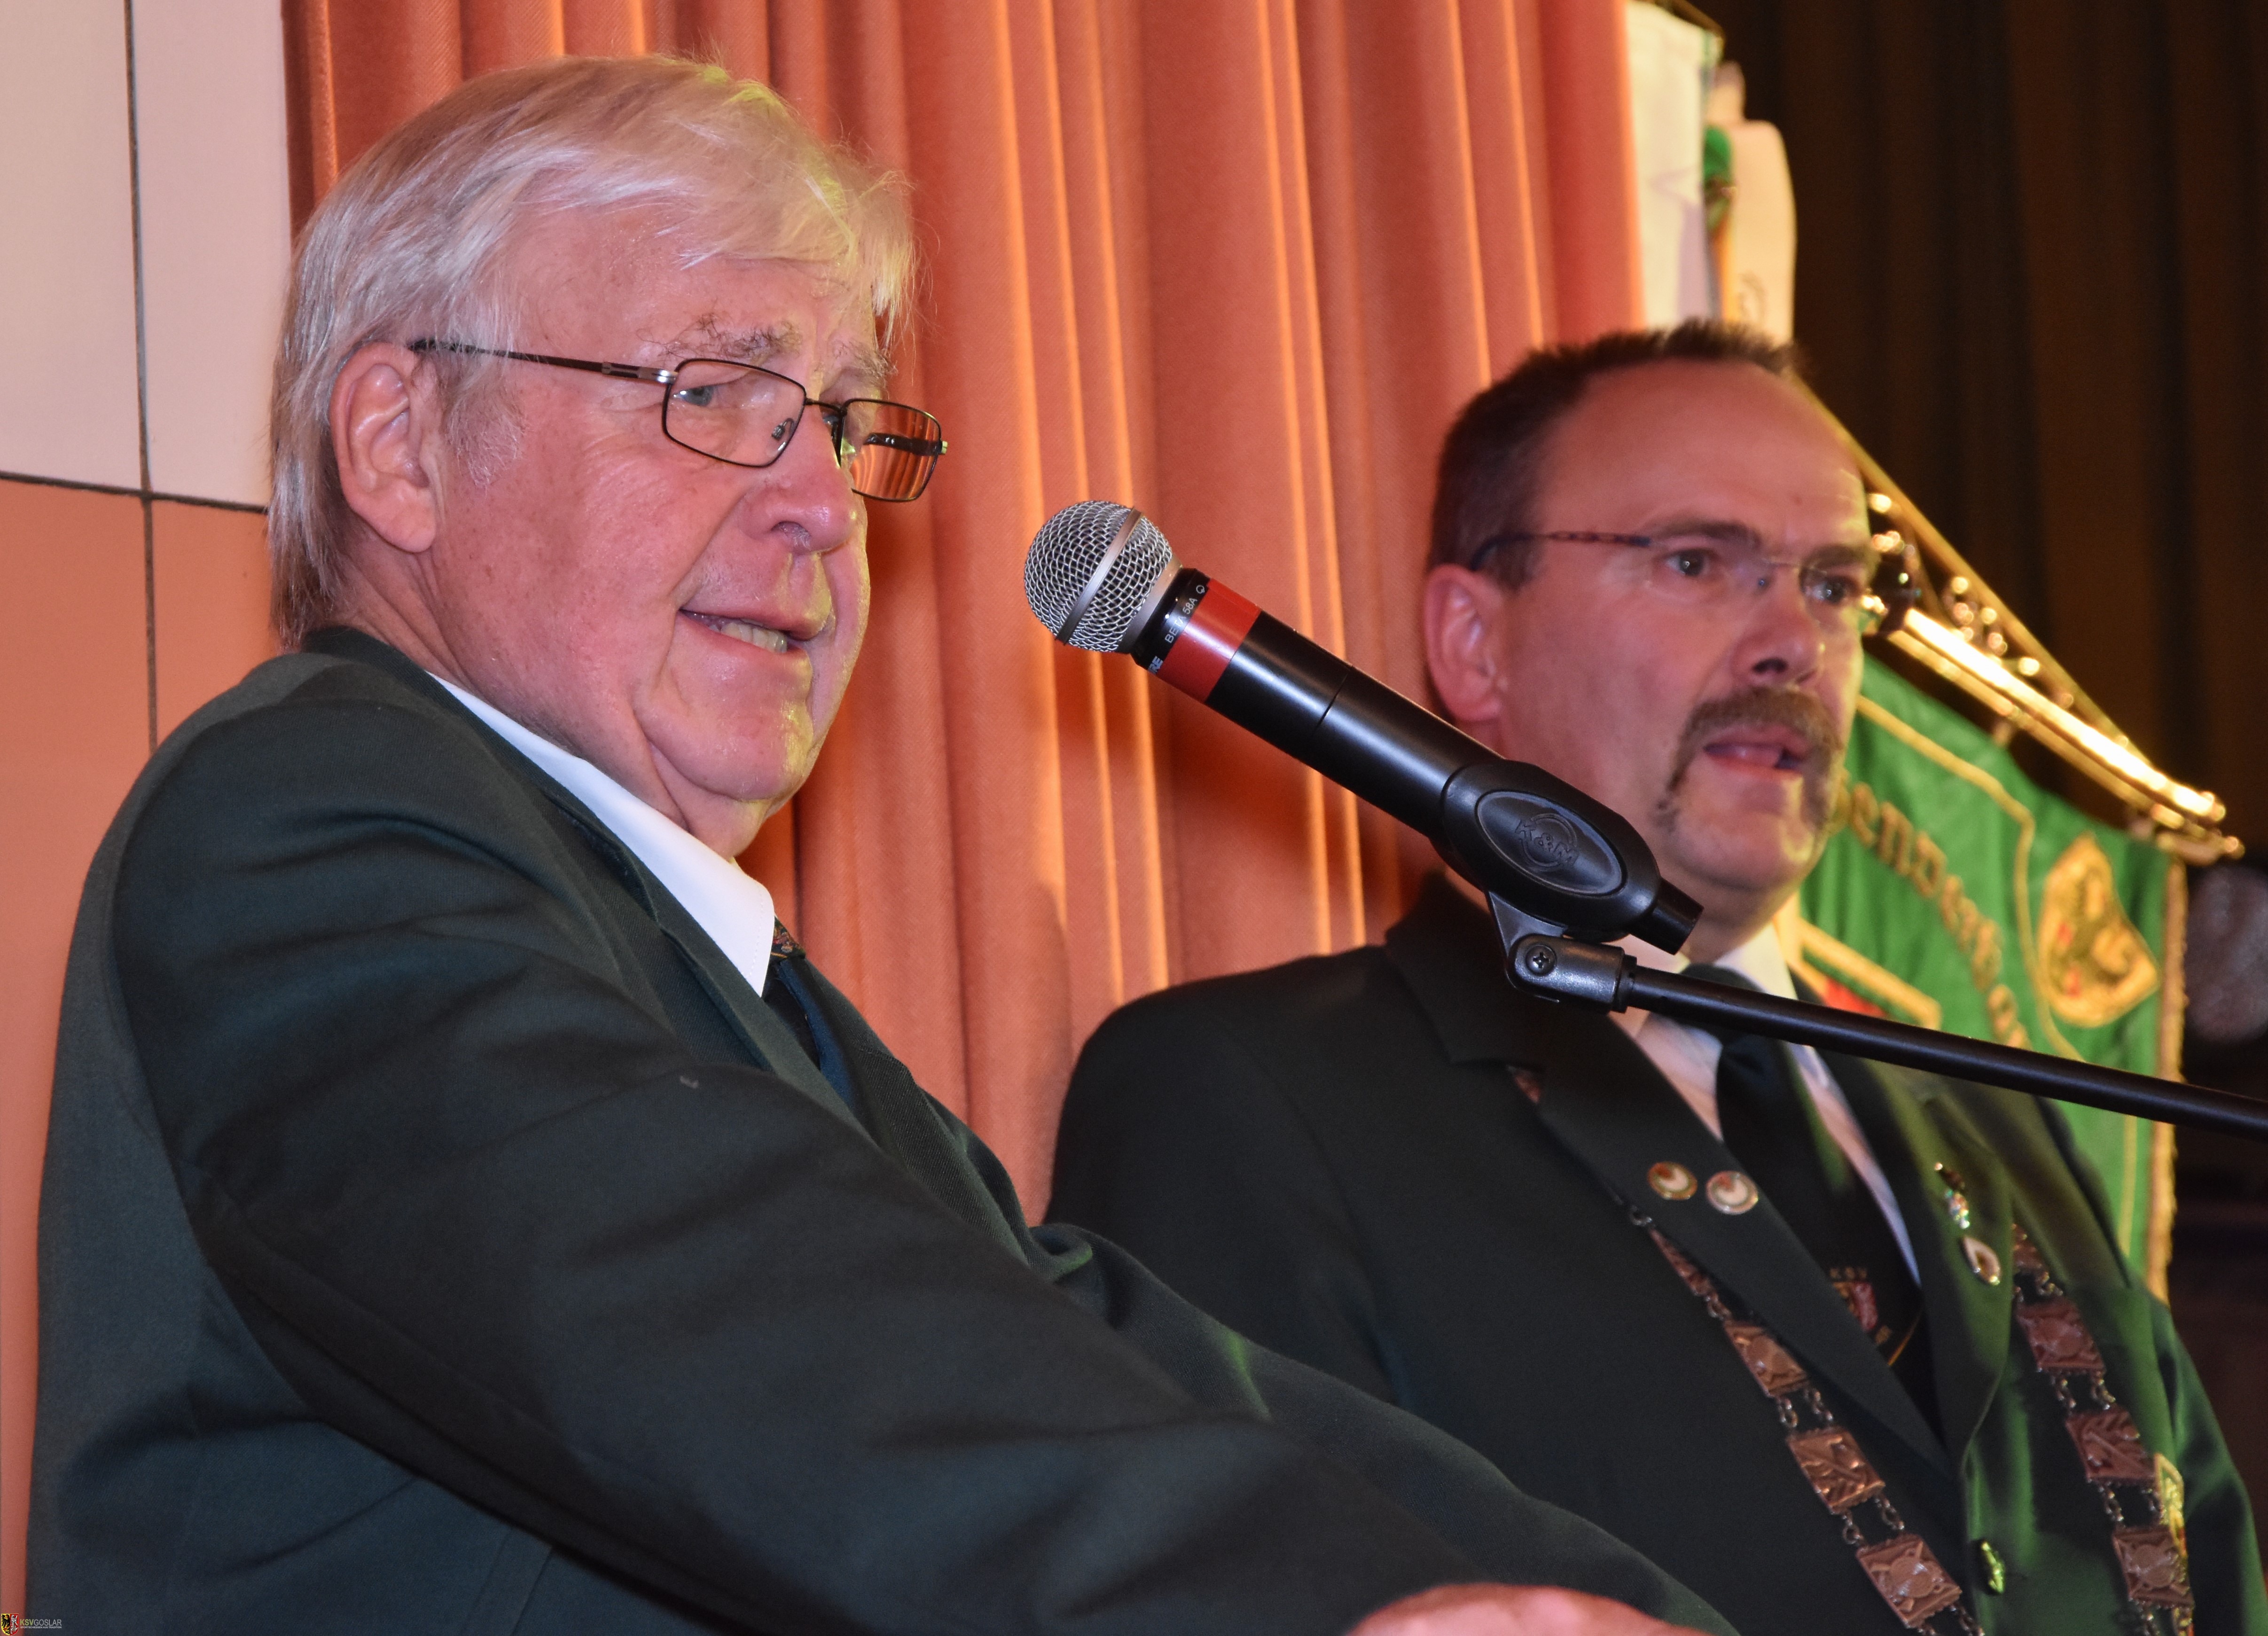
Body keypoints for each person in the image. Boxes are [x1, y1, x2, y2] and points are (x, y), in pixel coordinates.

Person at [25, 58, 1727, 1636]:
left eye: (843, 424)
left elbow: (1108, 1356)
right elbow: (746, 1323)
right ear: (401, 444)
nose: (821, 507)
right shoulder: (302, 813)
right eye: (711, 392)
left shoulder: (727, 989)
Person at [1051, 324, 2268, 1636]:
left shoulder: (2002, 1118)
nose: (1792, 644)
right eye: (1696, 562)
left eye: (1833, 587)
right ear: (1473, 641)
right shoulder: (1252, 1094)